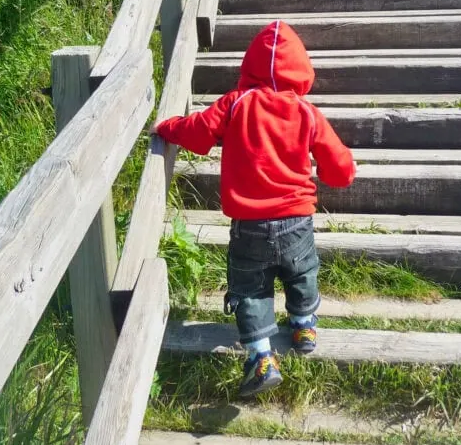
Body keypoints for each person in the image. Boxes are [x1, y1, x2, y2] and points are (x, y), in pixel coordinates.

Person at [152, 19, 357, 398]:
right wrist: (340, 172)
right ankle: (303, 326)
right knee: (302, 271)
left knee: (251, 288)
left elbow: (198, 131)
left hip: (249, 224)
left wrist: (168, 127)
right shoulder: (306, 112)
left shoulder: (236, 103)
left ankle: (261, 357)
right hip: (296, 220)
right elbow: (339, 165)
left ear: (249, 66)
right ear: (302, 70)